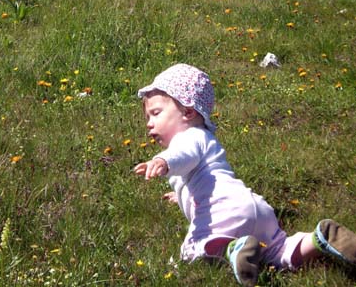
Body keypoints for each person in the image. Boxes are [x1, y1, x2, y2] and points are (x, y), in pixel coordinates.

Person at [133, 63, 356, 287]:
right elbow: (199, 177)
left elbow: (184, 155)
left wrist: (163, 160)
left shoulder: (187, 138)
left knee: (192, 252)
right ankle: (318, 239)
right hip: (254, 207)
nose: (149, 124)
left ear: (188, 112)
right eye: (147, 118)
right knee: (278, 251)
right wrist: (180, 196)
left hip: (223, 211)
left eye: (155, 113)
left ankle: (232, 248)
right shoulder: (205, 139)